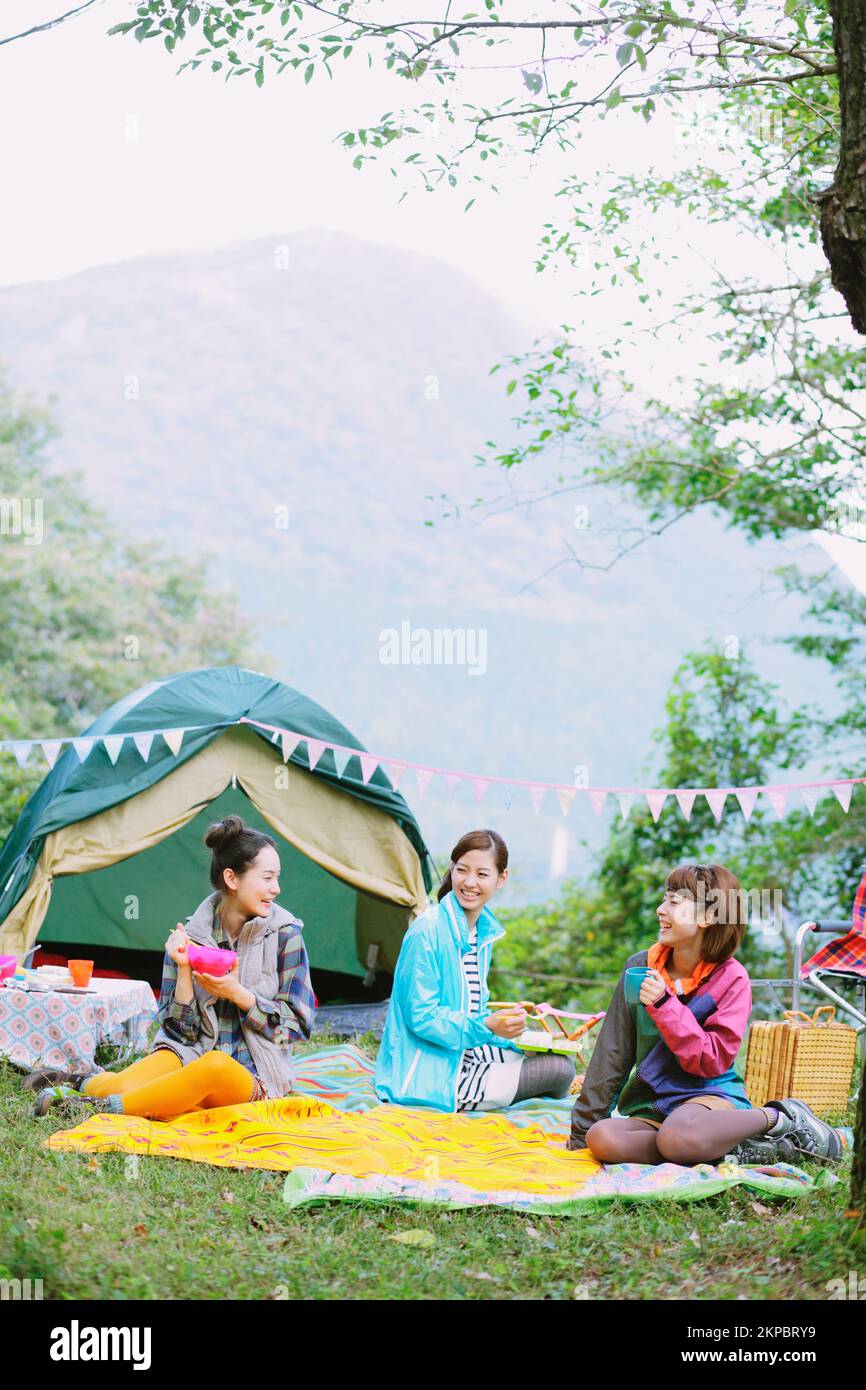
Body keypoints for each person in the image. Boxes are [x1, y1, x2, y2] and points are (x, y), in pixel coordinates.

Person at [29, 816, 316, 1120]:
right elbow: (179, 1033)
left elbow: (296, 1027)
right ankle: (81, 1083)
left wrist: (240, 995)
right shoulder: (191, 937)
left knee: (215, 1066)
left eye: (277, 877)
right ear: (232, 879)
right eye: (268, 878)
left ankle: (100, 1110)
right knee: (128, 1083)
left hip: (257, 1074)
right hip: (191, 1055)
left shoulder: (286, 935)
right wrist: (183, 970)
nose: (277, 888)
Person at [567, 862, 848, 1166]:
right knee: (603, 1139)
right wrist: (582, 1129)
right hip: (654, 1105)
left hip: (708, 1098)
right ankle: (731, 1150)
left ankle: (780, 1117)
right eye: (665, 898)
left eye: (674, 902)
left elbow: (712, 1059)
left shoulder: (732, 978)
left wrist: (664, 1005)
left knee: (676, 1137)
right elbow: (613, 1049)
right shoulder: (640, 967)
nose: (661, 910)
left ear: (709, 915)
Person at [375, 828, 574, 1112]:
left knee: (558, 1062)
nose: (469, 882)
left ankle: (503, 1082)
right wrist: (486, 1025)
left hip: (461, 1051)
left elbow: (474, 1011)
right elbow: (422, 1017)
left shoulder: (481, 933)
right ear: (451, 870)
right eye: (462, 871)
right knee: (557, 1073)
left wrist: (512, 1035)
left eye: (482, 874)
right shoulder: (426, 931)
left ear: (501, 879)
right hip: (423, 1071)